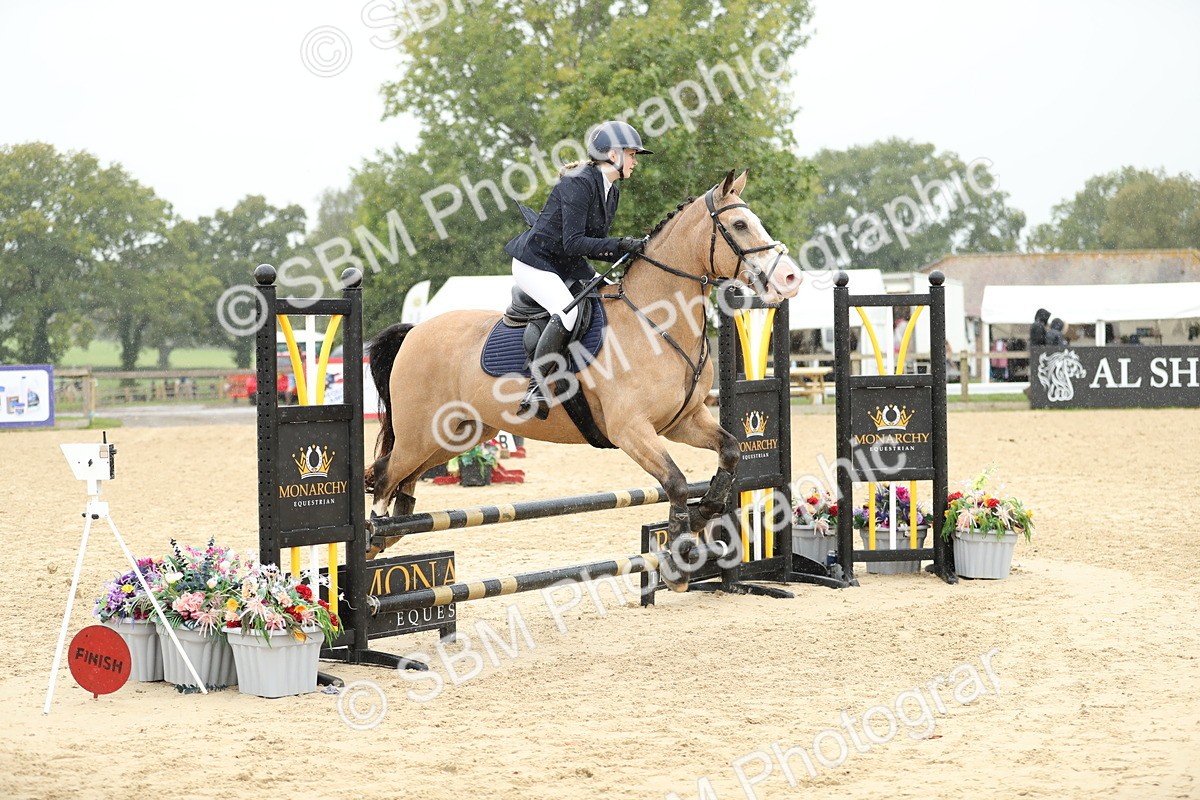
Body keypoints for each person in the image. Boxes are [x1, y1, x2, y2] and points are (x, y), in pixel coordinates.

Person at [504, 120, 653, 418]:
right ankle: (536, 387)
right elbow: (574, 242)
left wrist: (631, 252)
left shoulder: (611, 190)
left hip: (567, 263)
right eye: (632, 154)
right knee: (568, 311)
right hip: (536, 262)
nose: (635, 161)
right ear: (613, 155)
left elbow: (592, 243)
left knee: (612, 296)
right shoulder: (579, 182)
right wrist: (621, 244)